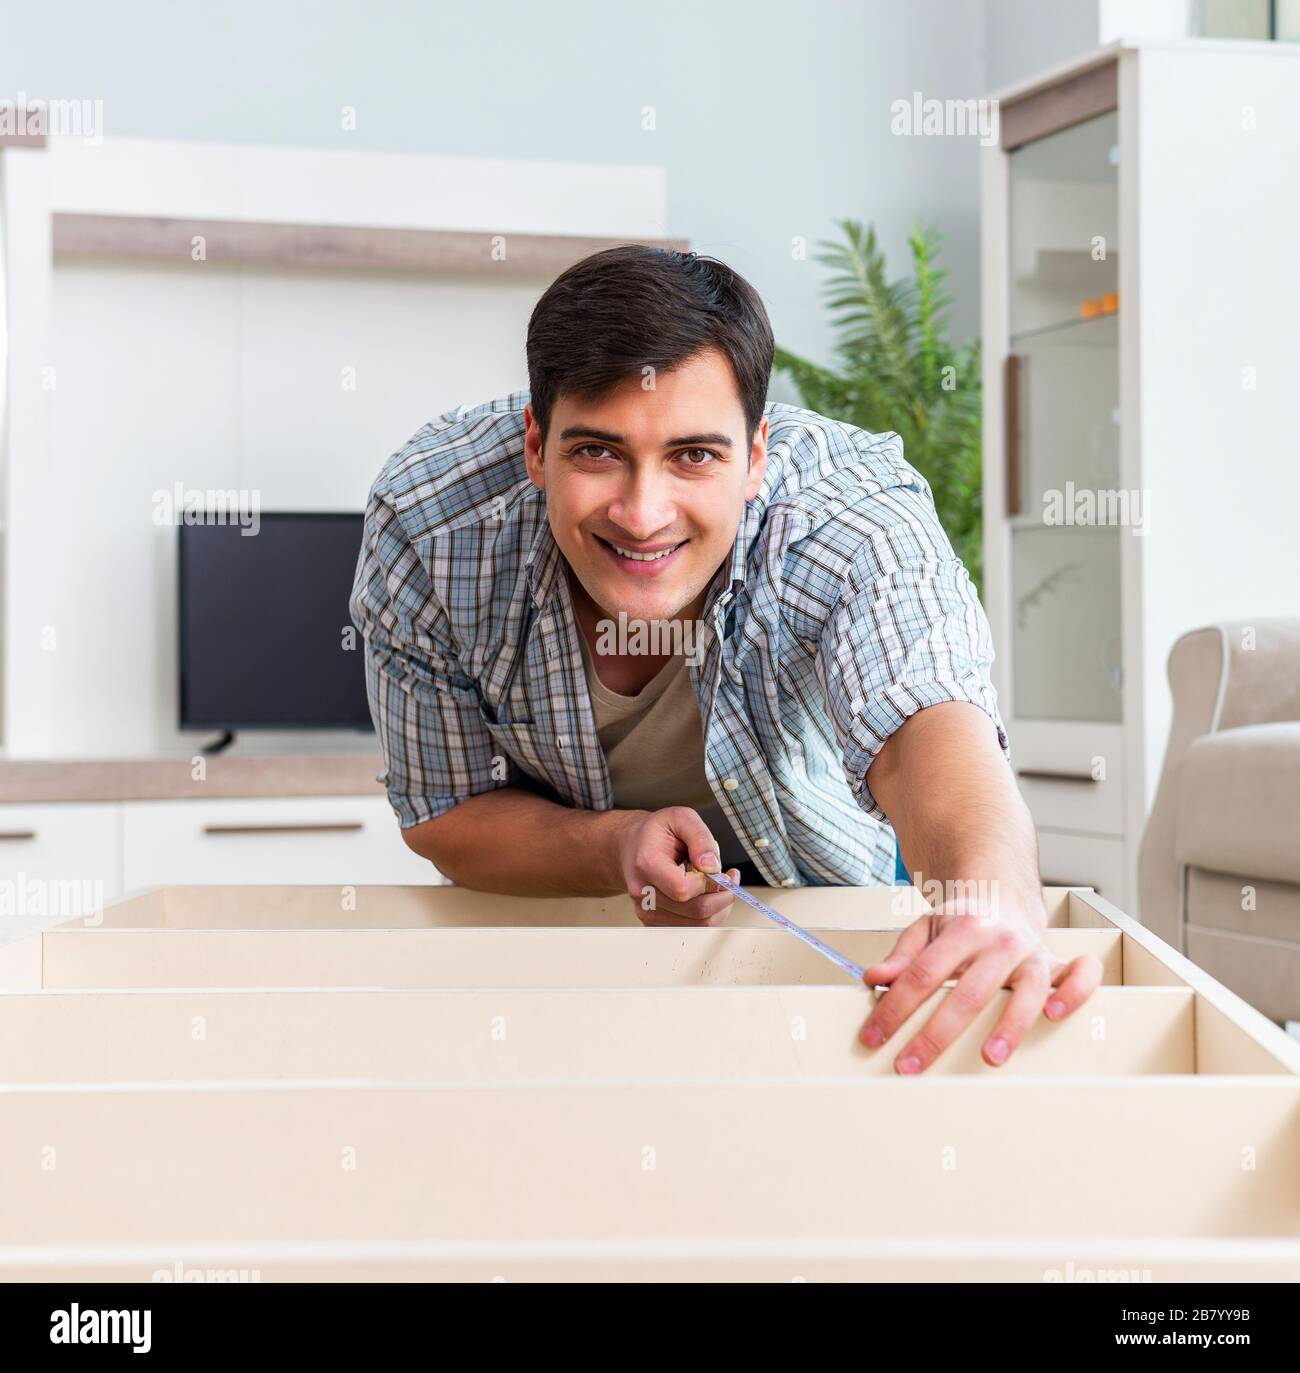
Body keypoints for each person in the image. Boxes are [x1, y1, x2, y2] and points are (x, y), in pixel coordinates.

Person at [350, 245, 1101, 1073]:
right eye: (597, 452)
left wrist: (985, 891)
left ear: (757, 455)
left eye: (693, 456)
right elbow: (444, 812)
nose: (642, 514)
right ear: (535, 444)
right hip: (559, 933)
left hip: (823, 906)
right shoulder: (430, 520)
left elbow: (929, 719)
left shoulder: (848, 519)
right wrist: (615, 845)